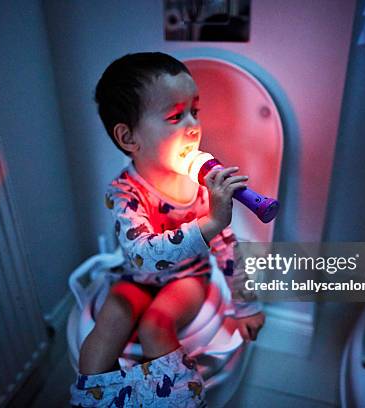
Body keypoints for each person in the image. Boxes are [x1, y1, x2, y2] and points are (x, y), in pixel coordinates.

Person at [71, 52, 265, 407]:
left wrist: (246, 306)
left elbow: (227, 248)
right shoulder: (123, 193)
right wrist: (208, 224)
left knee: (155, 327)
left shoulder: (202, 186)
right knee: (106, 327)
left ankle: (179, 400)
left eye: (195, 111)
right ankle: (97, 399)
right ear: (129, 138)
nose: (193, 125)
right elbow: (142, 255)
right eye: (176, 116)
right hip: (136, 277)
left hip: (187, 279)